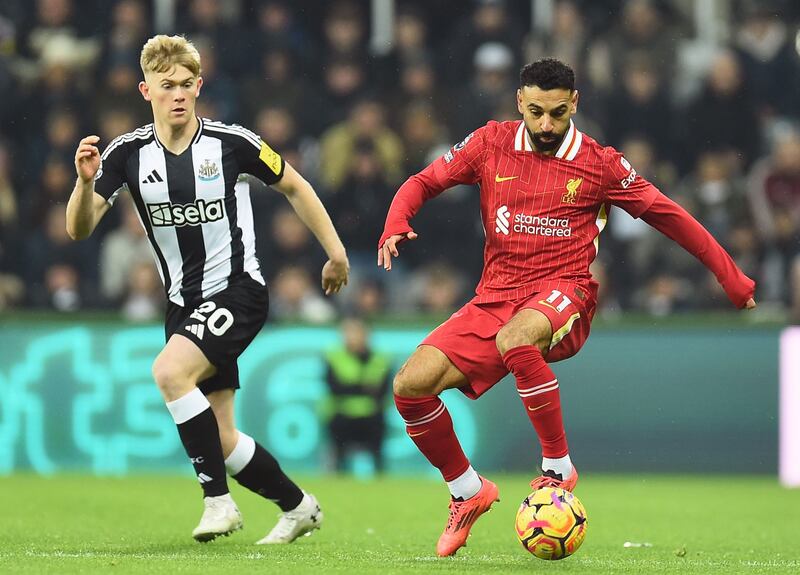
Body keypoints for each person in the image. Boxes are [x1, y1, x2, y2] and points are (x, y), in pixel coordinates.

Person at [377, 58, 756, 557]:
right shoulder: (490, 143)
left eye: (557, 112)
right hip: (494, 296)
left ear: (574, 103)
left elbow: (669, 216)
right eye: (536, 112)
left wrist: (731, 277)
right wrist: (395, 221)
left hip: (565, 290)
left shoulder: (600, 163)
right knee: (410, 388)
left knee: (516, 338)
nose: (546, 125)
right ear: (519, 102)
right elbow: (423, 181)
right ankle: (467, 491)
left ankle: (558, 466)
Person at [66, 35, 349, 544]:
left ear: (199, 86)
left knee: (169, 371)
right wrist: (85, 183)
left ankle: (219, 504)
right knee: (219, 437)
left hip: (238, 291)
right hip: (182, 304)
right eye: (165, 85)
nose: (176, 94)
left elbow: (295, 185)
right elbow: (79, 229)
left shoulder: (231, 142)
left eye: (184, 85)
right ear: (145, 90)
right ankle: (298, 506)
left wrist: (335, 252)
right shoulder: (127, 154)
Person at [323, 317, 391, 473]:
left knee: (377, 454)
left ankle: (380, 482)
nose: (353, 337)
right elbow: (334, 388)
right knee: (339, 457)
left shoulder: (381, 359)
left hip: (372, 416)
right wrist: (365, 387)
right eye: (349, 332)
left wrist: (351, 386)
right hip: (342, 415)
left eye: (357, 332)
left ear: (367, 335)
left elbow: (384, 390)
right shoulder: (334, 357)